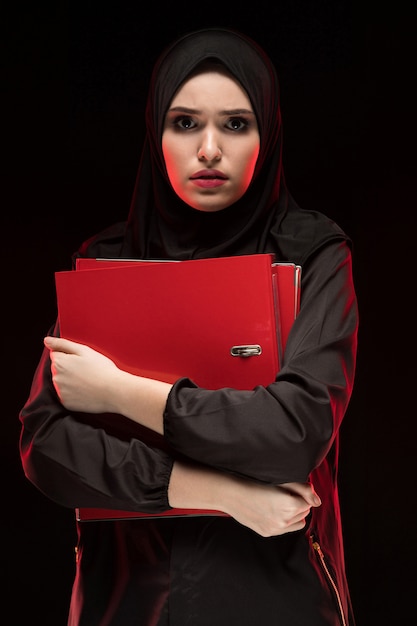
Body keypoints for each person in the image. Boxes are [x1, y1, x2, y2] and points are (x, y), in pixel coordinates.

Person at [19, 27, 358, 626]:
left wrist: (120, 393)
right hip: (124, 601)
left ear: (267, 135)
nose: (208, 149)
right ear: (156, 132)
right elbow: (46, 447)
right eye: (184, 123)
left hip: (274, 598)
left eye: (235, 124)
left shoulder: (313, 252)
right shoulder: (107, 260)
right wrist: (219, 493)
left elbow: (296, 432)